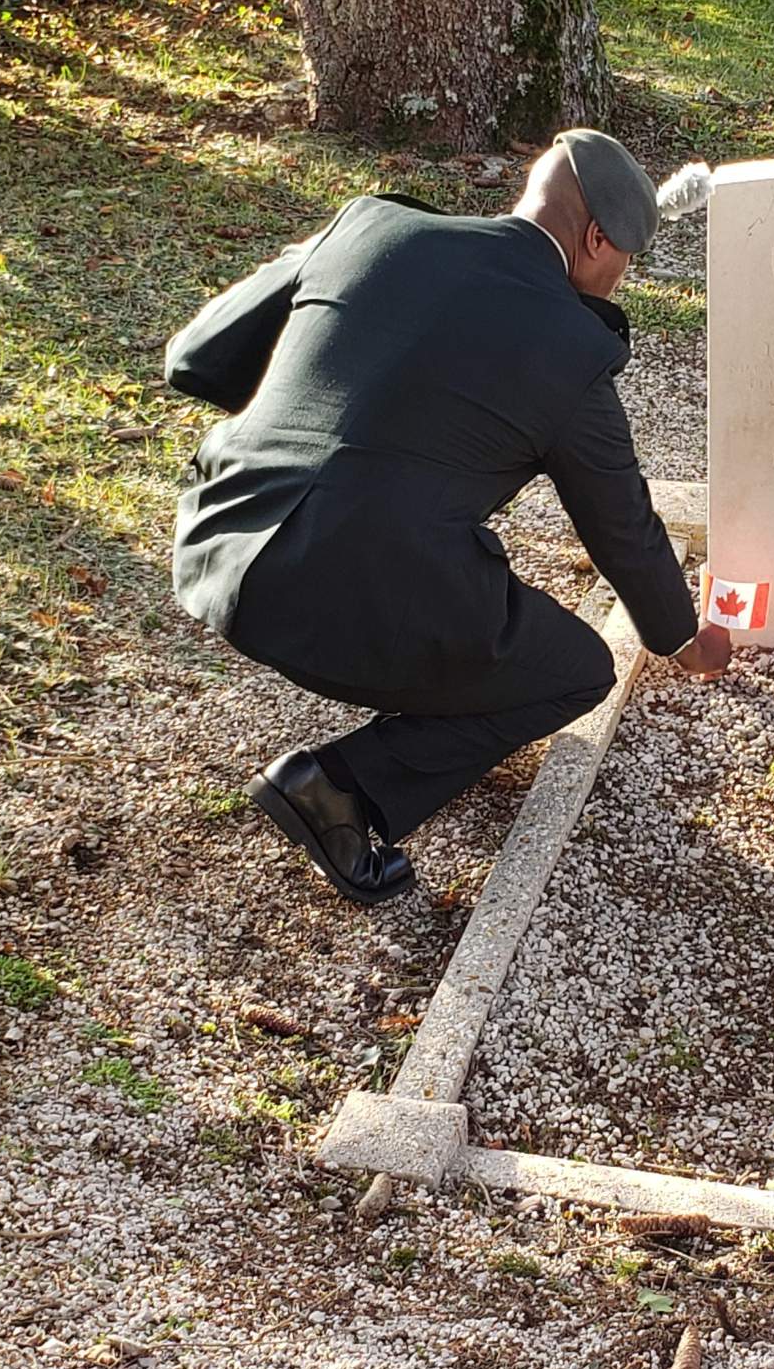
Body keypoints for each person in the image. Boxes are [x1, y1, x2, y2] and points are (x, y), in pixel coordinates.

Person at [164, 128, 730, 906]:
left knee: (437, 585)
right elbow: (622, 526)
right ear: (598, 239)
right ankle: (338, 791)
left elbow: (194, 356)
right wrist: (680, 638)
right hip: (338, 596)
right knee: (574, 671)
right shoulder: (571, 344)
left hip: (215, 541)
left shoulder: (373, 223)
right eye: (624, 263)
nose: (618, 281)